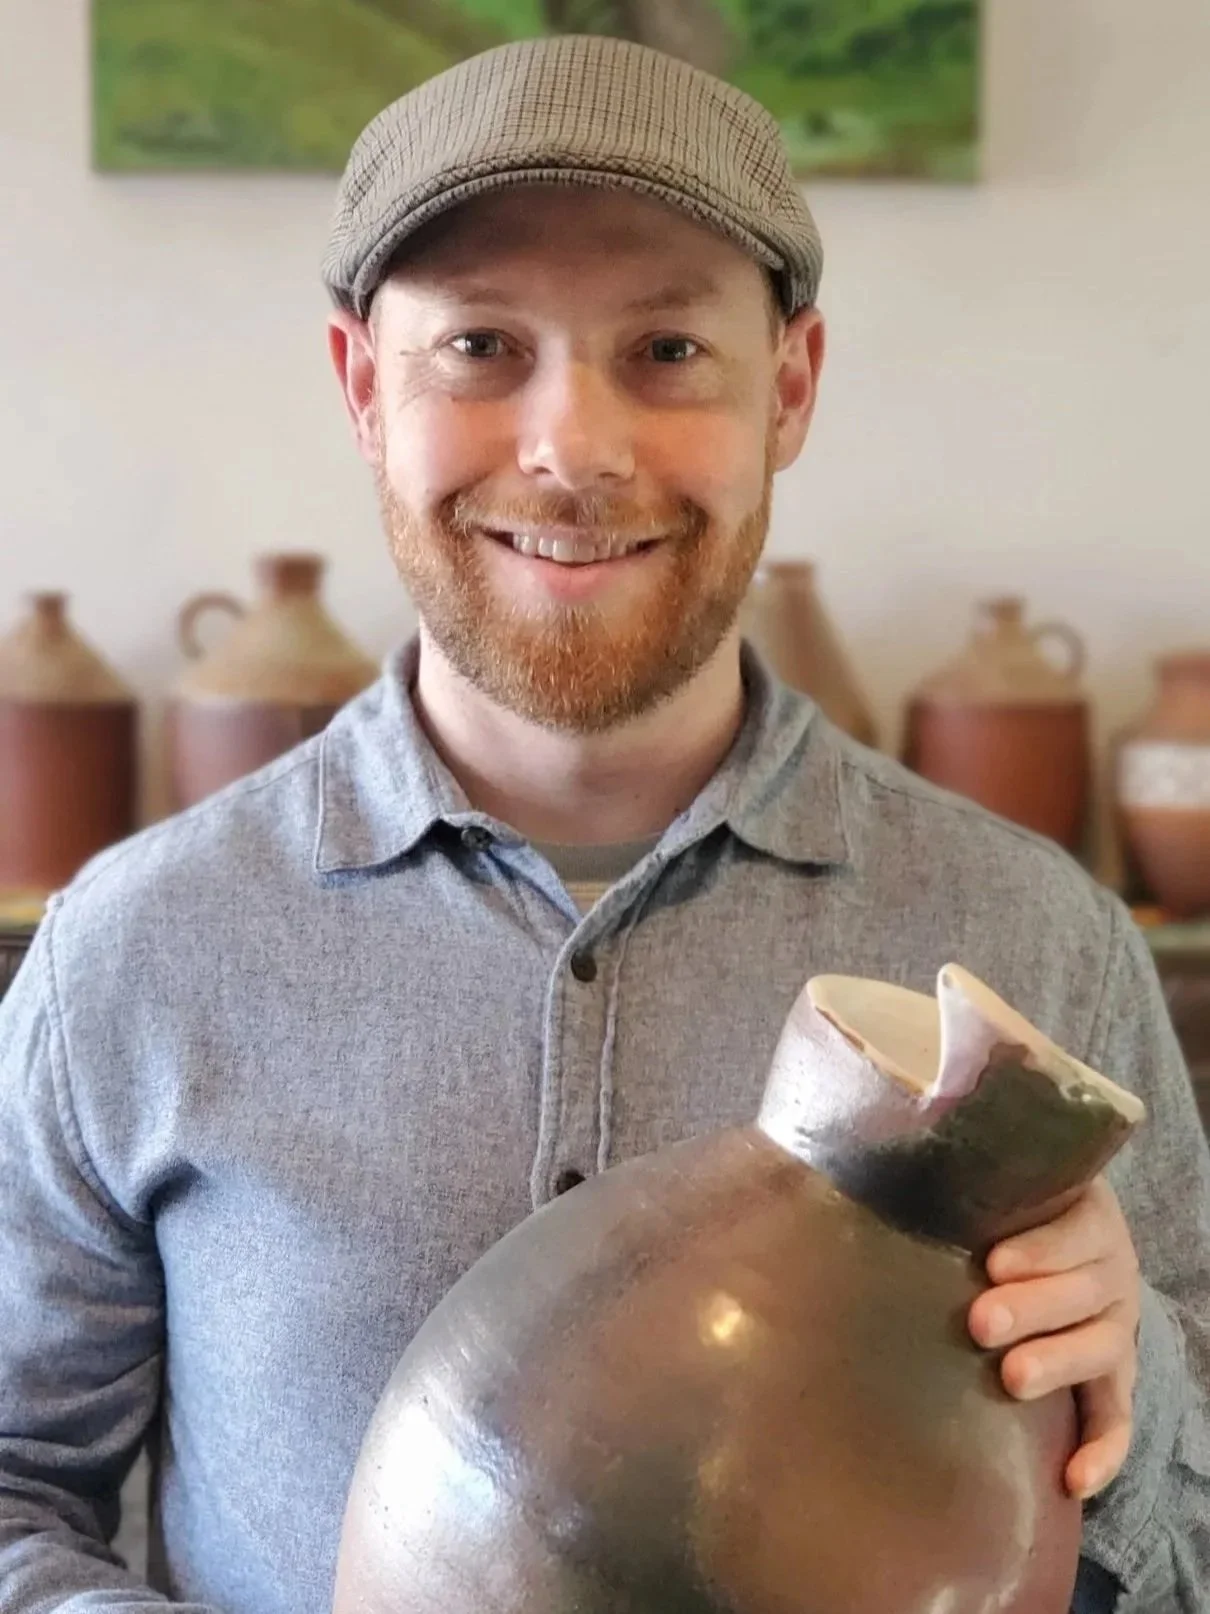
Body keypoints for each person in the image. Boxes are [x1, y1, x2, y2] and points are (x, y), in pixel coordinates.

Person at [0, 32, 1206, 1614]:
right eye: (482, 346)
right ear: (365, 386)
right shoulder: (136, 946)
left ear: (790, 384)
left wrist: (1139, 1401)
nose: (572, 450)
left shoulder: (1038, 940)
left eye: (666, 352)